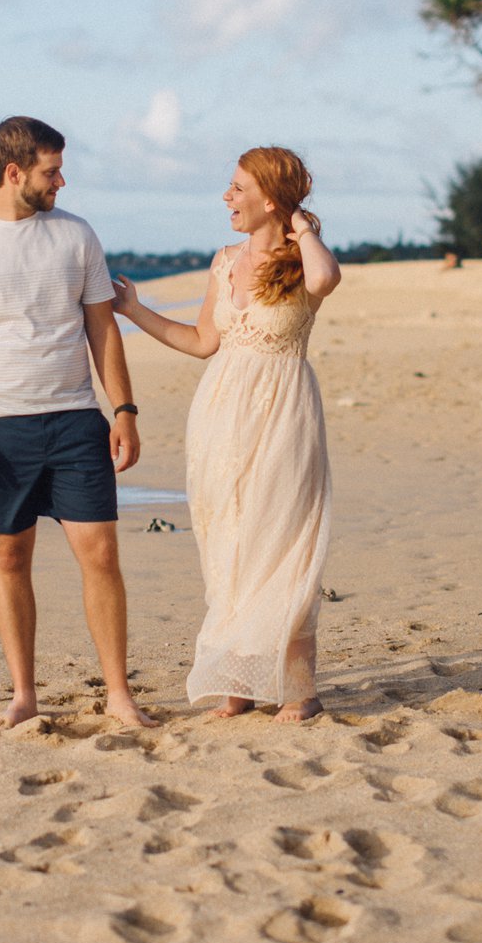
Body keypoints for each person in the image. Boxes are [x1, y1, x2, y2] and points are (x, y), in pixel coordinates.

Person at [0, 116, 158, 729]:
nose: (62, 180)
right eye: (52, 171)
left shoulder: (77, 236)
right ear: (14, 173)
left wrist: (124, 410)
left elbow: (102, 328)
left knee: (101, 555)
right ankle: (24, 695)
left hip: (77, 420)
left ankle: (118, 696)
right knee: (9, 560)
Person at [110, 146, 340, 723]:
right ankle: (239, 681)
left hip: (283, 413)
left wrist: (303, 229)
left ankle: (299, 689)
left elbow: (326, 278)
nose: (226, 197)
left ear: (270, 199)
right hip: (218, 416)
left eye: (237, 189)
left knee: (279, 542)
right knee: (227, 542)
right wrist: (135, 310)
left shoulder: (302, 262)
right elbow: (201, 342)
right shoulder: (223, 260)